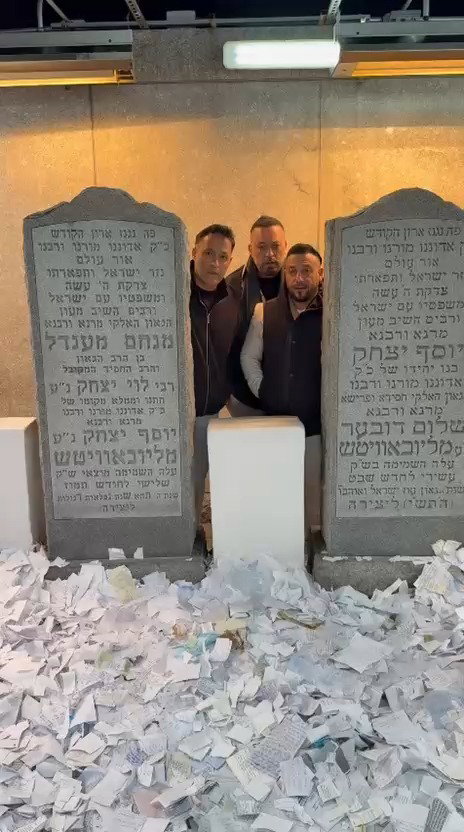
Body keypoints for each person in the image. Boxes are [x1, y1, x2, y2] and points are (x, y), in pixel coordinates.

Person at [240, 243, 324, 533]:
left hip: (315, 430)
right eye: (292, 271)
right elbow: (248, 357)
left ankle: (310, 555)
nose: (299, 278)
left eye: (306, 271)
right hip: (274, 425)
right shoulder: (264, 311)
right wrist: (263, 389)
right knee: (276, 500)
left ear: (320, 273)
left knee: (312, 503)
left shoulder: (332, 313)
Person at [190, 224, 238, 523]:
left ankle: (196, 533)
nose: (215, 262)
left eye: (222, 256)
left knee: (202, 479)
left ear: (230, 260)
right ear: (194, 252)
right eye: (208, 253)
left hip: (212, 411)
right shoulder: (174, 292)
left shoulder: (232, 301)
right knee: (181, 483)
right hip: (175, 412)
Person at [227, 215, 287, 416]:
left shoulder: (299, 287)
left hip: (289, 398)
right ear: (250, 249)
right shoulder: (231, 287)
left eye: (276, 246)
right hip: (244, 399)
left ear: (285, 246)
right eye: (261, 247)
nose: (270, 254)